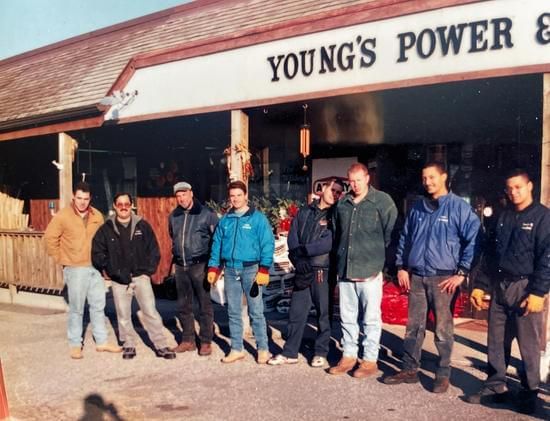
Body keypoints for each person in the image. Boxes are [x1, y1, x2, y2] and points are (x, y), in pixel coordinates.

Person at [383, 162, 481, 393]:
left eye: (432, 177)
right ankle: (409, 369)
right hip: (416, 276)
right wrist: (401, 266)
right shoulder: (418, 207)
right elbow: (405, 238)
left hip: (443, 279)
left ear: (444, 177)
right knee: (413, 327)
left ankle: (443, 373)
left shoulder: (459, 208)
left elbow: (475, 240)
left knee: (442, 329)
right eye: (425, 178)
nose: (428, 182)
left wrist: (462, 272)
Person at [466, 169, 550, 414]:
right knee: (496, 339)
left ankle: (530, 392)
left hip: (526, 288)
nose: (514, 192)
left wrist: (538, 292)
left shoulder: (543, 218)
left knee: (529, 344)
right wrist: (480, 286)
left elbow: (547, 257)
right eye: (510, 188)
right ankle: (496, 386)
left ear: (530, 186)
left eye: (518, 187)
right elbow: (490, 255)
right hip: (500, 286)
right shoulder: (502, 217)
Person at [330, 163, 397, 377]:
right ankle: (349, 356)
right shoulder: (343, 203)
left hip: (370, 269)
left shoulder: (382, 201)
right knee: (347, 316)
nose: (355, 184)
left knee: (370, 317)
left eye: (359, 180)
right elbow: (336, 231)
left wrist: (378, 259)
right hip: (346, 269)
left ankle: (369, 360)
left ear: (367, 178)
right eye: (351, 180)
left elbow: (391, 233)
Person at [268, 180, 344, 368]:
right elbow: (293, 237)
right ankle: (290, 352)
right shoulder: (304, 212)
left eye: (339, 192)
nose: (335, 194)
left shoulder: (336, 215)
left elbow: (328, 243)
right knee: (297, 311)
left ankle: (320, 352)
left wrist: (303, 251)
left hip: (322, 270)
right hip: (303, 269)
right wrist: (298, 258)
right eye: (332, 189)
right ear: (323, 189)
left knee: (323, 313)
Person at [92, 193, 176, 360]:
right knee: (123, 314)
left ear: (132, 205)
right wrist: (112, 270)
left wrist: (147, 271)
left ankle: (161, 345)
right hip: (119, 280)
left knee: (150, 312)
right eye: (120, 204)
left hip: (140, 277)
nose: (123, 207)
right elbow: (97, 254)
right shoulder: (105, 228)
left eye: (126, 204)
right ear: (114, 206)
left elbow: (154, 250)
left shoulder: (142, 226)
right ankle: (128, 345)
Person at [44, 182, 121, 359]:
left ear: (90, 199)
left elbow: (103, 240)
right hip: (75, 268)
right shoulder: (63, 216)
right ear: (74, 197)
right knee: (77, 308)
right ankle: (75, 344)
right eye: (79, 198)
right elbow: (50, 239)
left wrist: (103, 261)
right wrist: (62, 259)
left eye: (86, 199)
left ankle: (101, 342)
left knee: (98, 306)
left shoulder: (97, 216)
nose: (82, 202)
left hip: (95, 268)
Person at [207, 180, 275, 364]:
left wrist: (264, 269)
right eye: (232, 196)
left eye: (239, 195)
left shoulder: (257, 219)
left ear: (246, 196)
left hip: (251, 270)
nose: (235, 199)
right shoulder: (226, 220)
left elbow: (267, 244)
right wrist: (214, 267)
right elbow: (217, 244)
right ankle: (237, 348)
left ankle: (263, 349)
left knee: (256, 311)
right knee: (233, 311)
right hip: (230, 270)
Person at [169, 181, 218, 356]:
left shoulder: (207, 214)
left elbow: (216, 240)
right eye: (178, 196)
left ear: (191, 193)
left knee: (204, 305)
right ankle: (188, 340)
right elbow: (172, 237)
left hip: (200, 265)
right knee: (183, 305)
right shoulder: (174, 216)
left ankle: (205, 341)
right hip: (181, 265)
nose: (181, 198)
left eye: (184, 194)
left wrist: (214, 266)